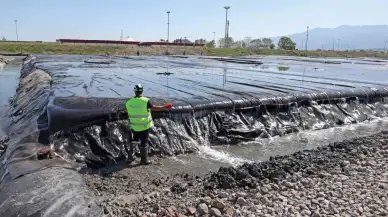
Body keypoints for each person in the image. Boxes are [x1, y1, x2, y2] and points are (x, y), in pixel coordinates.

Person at [125, 84, 173, 165]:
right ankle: (144, 160)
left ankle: (130, 158)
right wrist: (165, 107)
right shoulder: (145, 101)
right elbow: (154, 108)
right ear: (142, 91)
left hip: (134, 126)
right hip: (144, 126)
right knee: (144, 142)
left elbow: (128, 111)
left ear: (135, 91)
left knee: (135, 140)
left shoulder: (129, 102)